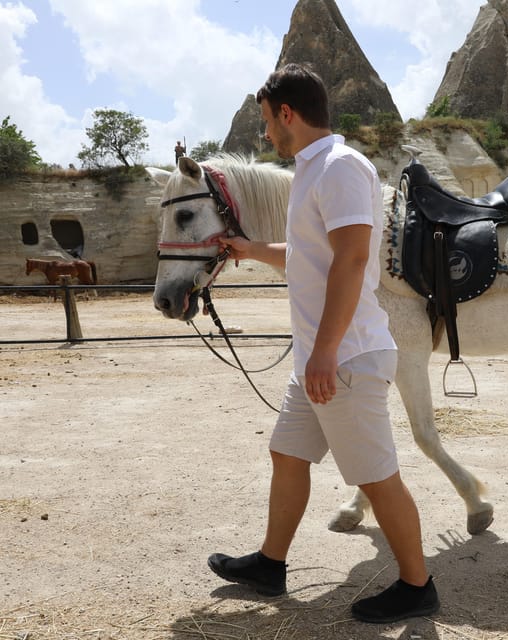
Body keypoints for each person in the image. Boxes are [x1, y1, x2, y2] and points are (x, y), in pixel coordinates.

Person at [207, 63, 439, 624]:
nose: (265, 134)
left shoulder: (339, 167)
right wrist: (252, 249)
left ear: (287, 113)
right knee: (287, 454)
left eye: (266, 122)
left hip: (345, 357)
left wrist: (326, 352)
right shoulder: (312, 172)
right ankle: (270, 564)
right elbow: (313, 256)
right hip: (324, 356)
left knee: (375, 476)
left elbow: (354, 258)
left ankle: (417, 584)